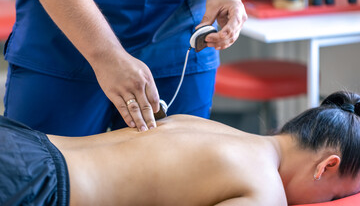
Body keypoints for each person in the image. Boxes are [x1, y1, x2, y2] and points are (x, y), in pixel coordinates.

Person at [2, 0, 251, 136]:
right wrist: (104, 54)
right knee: (47, 185)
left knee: (179, 187)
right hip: (62, 39)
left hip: (179, 36)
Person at [1, 91, 360, 206]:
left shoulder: (215, 128)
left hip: (24, 145)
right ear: (326, 166)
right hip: (35, 186)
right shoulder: (265, 192)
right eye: (332, 199)